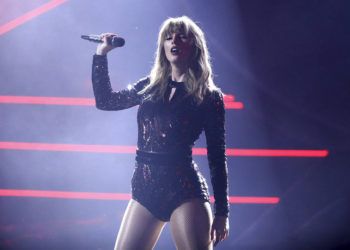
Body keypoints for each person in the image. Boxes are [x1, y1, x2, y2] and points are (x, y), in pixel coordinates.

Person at [91, 16, 229, 250]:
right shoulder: (149, 86)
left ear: (194, 45)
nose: (174, 40)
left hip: (184, 190)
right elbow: (106, 101)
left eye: (181, 35)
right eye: (168, 36)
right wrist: (101, 54)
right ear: (163, 47)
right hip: (145, 189)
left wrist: (222, 212)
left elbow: (217, 156)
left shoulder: (209, 97)